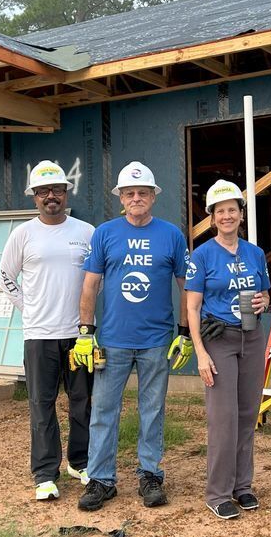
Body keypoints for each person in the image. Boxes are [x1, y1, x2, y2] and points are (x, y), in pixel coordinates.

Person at [73, 161, 192, 511]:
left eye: (142, 192)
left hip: (157, 340)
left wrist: (184, 333)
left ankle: (150, 475)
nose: (136, 198)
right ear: (121, 198)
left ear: (154, 196)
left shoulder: (171, 235)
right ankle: (100, 480)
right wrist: (85, 332)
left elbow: (186, 286)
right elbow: (90, 284)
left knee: (152, 410)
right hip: (112, 340)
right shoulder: (105, 233)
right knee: (104, 411)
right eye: (129, 193)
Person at [0, 161, 95, 502]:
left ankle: (80, 463)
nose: (50, 196)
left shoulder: (86, 232)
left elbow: (98, 281)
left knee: (82, 402)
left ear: (66, 193)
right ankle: (45, 473)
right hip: (38, 335)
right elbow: (5, 277)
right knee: (42, 404)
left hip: (79, 333)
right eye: (43, 192)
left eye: (56, 190)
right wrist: (31, 308)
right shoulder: (23, 234)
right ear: (34, 197)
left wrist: (92, 324)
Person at [185, 180, 271, 519]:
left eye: (232, 210)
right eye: (220, 211)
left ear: (240, 214)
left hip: (251, 336)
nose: (227, 216)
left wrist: (264, 300)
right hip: (218, 339)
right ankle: (218, 491)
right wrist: (201, 353)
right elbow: (192, 308)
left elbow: (263, 293)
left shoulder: (255, 253)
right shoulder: (203, 254)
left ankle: (242, 486)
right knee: (223, 417)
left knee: (248, 413)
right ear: (211, 217)